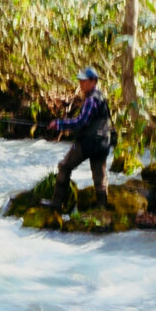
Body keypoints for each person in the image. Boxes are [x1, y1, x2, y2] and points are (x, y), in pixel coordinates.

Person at [43, 66, 113, 212]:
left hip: (89, 143)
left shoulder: (91, 100)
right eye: (80, 80)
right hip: (103, 143)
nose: (80, 83)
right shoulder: (101, 97)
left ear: (93, 82)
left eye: (83, 81)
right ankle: (102, 210)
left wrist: (59, 124)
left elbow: (82, 122)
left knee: (64, 166)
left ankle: (56, 204)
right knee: (100, 178)